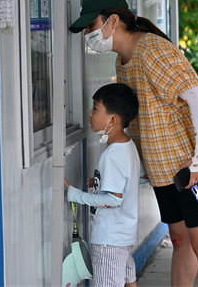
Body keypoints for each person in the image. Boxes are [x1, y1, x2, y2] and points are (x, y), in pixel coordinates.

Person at [69, 0, 198, 287]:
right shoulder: (122, 61)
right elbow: (137, 118)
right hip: (167, 169)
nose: (88, 35)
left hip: (197, 162)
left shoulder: (152, 50)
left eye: (91, 25)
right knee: (179, 241)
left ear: (113, 21)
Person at [64, 83, 141, 287]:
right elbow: (129, 181)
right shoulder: (127, 145)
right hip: (122, 235)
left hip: (108, 240)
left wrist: (74, 194)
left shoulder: (112, 156)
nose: (90, 113)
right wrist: (100, 183)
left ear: (112, 120)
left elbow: (113, 199)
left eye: (96, 108)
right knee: (128, 279)